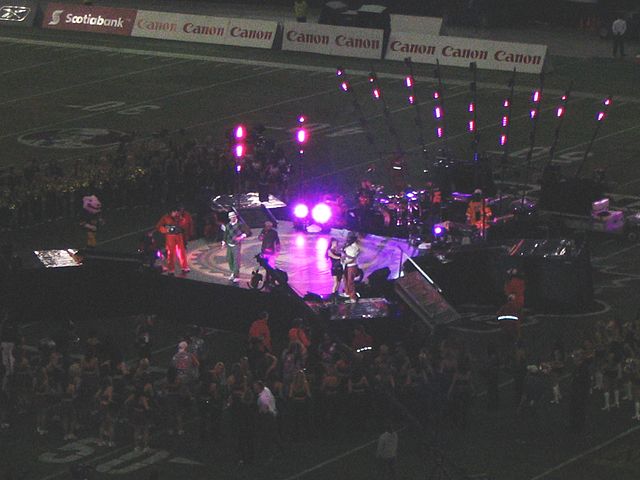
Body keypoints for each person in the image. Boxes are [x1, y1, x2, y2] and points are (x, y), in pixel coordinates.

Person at [156, 207, 189, 275]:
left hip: (179, 235)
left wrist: (180, 219)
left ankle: (184, 267)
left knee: (181, 251)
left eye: (176, 211)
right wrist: (167, 229)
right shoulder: (165, 217)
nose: (176, 213)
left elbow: (184, 223)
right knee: (171, 253)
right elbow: (159, 226)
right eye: (174, 211)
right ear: (170, 212)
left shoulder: (179, 217)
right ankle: (171, 269)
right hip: (170, 237)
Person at [221, 211, 250, 283]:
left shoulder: (240, 224)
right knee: (230, 259)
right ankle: (233, 273)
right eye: (230, 217)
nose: (232, 218)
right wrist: (224, 242)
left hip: (236, 245)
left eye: (233, 217)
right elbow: (226, 234)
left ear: (235, 216)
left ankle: (236, 276)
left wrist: (241, 237)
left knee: (236, 260)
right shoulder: (228, 225)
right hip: (229, 244)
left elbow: (247, 232)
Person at [258, 221, 280, 286]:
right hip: (264, 252)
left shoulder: (274, 233)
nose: (268, 227)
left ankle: (272, 280)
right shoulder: (263, 231)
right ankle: (267, 280)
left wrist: (277, 251)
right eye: (266, 226)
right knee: (266, 267)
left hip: (271, 252)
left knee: (271, 267)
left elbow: (277, 242)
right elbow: (260, 238)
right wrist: (262, 235)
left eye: (269, 226)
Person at [342, 232, 361, 303]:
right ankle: (347, 293)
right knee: (345, 279)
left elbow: (352, 258)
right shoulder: (348, 246)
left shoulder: (354, 247)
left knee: (350, 281)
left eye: (348, 238)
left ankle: (353, 297)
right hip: (346, 265)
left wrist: (345, 261)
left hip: (351, 266)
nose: (347, 239)